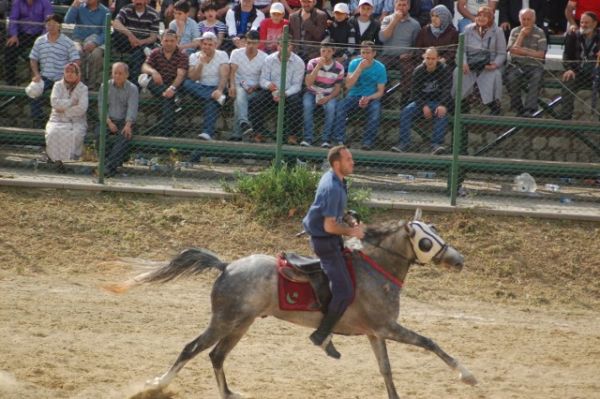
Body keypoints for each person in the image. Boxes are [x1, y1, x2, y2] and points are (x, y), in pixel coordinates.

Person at [302, 144, 365, 359]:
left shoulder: (338, 180)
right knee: (345, 291)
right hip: (325, 242)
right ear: (337, 164)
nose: (352, 162)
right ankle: (321, 334)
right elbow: (329, 226)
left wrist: (348, 218)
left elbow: (335, 215)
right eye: (349, 159)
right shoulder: (333, 187)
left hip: (330, 237)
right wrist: (353, 232)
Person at [391, 47, 451, 154]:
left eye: (433, 58)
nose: (430, 61)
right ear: (424, 57)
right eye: (428, 58)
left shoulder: (444, 69)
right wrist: (423, 106)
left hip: (437, 103)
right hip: (420, 103)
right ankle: (404, 143)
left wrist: (442, 105)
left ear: (438, 58)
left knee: (442, 114)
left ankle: (436, 145)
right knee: (406, 112)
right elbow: (414, 93)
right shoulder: (418, 70)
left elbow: (447, 90)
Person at [247, 41, 305, 144]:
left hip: (289, 92)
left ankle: (292, 135)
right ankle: (258, 133)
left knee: (297, 103)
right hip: (271, 91)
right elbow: (263, 79)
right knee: (254, 101)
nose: (284, 48)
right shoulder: (269, 59)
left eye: (287, 45)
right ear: (278, 46)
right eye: (282, 45)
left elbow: (297, 85)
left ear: (292, 47)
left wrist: (285, 93)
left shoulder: (299, 62)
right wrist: (269, 85)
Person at [332, 41, 387, 150]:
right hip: (354, 96)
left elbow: (380, 92)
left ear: (374, 53)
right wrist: (360, 68)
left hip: (371, 97)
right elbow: (348, 85)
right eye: (363, 52)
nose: (365, 55)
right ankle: (339, 140)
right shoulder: (354, 63)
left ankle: (367, 142)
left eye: (368, 53)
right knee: (340, 107)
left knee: (375, 111)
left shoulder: (380, 67)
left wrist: (368, 98)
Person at [453, 6, 506, 115]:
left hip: (488, 66)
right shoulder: (468, 29)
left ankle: (494, 107)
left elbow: (502, 54)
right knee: (457, 72)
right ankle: (460, 105)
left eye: (485, 16)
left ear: (491, 18)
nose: (481, 18)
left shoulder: (498, 31)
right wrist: (464, 63)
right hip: (470, 64)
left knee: (495, 75)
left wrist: (495, 65)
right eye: (479, 15)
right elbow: (461, 50)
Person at [29, 14, 80, 128]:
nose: (50, 26)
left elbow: (76, 60)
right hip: (44, 77)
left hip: (61, 79)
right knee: (33, 93)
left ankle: (61, 124)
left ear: (59, 25)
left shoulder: (67, 42)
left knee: (63, 99)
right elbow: (33, 59)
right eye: (48, 24)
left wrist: (69, 75)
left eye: (53, 24)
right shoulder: (40, 41)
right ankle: (38, 123)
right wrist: (36, 74)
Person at [183, 31, 230, 140]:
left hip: (216, 87)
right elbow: (193, 78)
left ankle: (207, 133)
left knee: (211, 101)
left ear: (215, 45)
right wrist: (200, 63)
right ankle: (215, 97)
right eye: (205, 44)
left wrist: (219, 90)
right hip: (201, 87)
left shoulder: (222, 54)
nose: (207, 47)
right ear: (201, 44)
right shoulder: (194, 56)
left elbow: (224, 75)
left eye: (210, 45)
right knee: (186, 83)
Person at [141, 29, 189, 137]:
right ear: (161, 41)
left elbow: (180, 75)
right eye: (166, 40)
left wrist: (172, 88)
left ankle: (165, 133)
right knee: (145, 79)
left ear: (177, 41)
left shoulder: (182, 56)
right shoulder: (155, 52)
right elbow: (144, 67)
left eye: (172, 41)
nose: (169, 43)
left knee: (168, 99)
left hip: (175, 86)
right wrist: (153, 72)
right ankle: (167, 135)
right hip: (158, 85)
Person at [44, 63, 88, 172]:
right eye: (67, 72)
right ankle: (56, 161)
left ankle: (68, 162)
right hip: (57, 119)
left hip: (76, 121)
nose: (69, 74)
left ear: (78, 74)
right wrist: (71, 102)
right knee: (53, 133)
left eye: (72, 72)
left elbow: (82, 107)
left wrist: (65, 111)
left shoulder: (83, 88)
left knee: (75, 134)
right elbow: (54, 102)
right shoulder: (57, 85)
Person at [97, 62, 139, 177]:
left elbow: (132, 108)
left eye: (120, 73)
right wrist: (109, 122)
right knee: (99, 134)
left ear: (127, 75)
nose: (117, 76)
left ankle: (107, 168)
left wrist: (128, 124)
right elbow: (101, 107)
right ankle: (109, 167)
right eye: (115, 73)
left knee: (124, 136)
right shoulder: (104, 86)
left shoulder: (132, 89)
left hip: (125, 121)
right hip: (108, 119)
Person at [301, 39, 344, 147]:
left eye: (329, 51)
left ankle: (325, 140)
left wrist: (328, 97)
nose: (325, 54)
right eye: (323, 51)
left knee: (331, 108)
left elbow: (337, 88)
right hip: (312, 92)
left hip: (328, 94)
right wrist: (317, 67)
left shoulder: (339, 67)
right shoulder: (312, 63)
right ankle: (308, 138)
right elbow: (308, 83)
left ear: (333, 52)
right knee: (307, 106)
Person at [557, 11, 600, 120]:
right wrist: (569, 69)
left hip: (596, 73)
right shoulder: (573, 36)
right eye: (581, 22)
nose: (583, 25)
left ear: (595, 24)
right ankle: (565, 118)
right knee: (568, 80)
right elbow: (566, 56)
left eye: (587, 22)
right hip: (578, 72)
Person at [505, 8, 547, 117]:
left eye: (529, 19)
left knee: (537, 77)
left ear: (534, 19)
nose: (526, 22)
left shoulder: (540, 32)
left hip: (535, 66)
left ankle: (530, 109)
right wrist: (522, 35)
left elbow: (541, 55)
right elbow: (513, 52)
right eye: (524, 19)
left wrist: (523, 51)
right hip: (516, 64)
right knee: (511, 78)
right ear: (520, 20)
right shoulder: (515, 31)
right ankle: (518, 107)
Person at [228, 30, 268, 141]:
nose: (250, 46)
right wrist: (231, 86)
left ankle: (237, 133)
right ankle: (243, 122)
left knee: (239, 102)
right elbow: (232, 72)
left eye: (254, 43)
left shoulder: (264, 57)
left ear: (259, 43)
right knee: (240, 93)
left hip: (254, 90)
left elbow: (264, 77)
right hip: (237, 87)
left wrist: (255, 87)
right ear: (245, 41)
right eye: (248, 42)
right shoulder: (236, 53)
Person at [378, 0, 420, 104]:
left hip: (404, 58)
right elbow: (383, 38)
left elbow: (416, 46)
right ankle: (384, 99)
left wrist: (410, 54)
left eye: (404, 5)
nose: (401, 7)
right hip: (387, 56)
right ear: (394, 5)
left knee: (410, 70)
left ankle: (405, 101)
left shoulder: (415, 24)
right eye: (399, 4)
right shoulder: (387, 19)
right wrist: (394, 21)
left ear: (409, 6)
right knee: (379, 68)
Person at [64, 0, 111, 90]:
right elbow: (67, 21)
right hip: (78, 39)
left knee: (96, 55)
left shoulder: (105, 11)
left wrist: (95, 43)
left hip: (96, 41)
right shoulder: (79, 7)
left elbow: (105, 33)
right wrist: (73, 7)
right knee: (77, 53)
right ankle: (79, 83)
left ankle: (92, 85)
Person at [5, 0, 53, 86]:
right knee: (10, 48)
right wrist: (13, 35)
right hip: (21, 34)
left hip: (39, 34)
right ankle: (10, 82)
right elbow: (13, 19)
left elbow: (48, 22)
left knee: (44, 50)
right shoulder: (17, 2)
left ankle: (41, 82)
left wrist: (42, 39)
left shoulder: (45, 3)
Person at [112, 0, 160, 85]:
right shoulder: (126, 9)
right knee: (118, 35)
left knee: (137, 55)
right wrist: (130, 35)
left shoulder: (154, 14)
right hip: (127, 43)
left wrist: (141, 42)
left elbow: (153, 37)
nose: (138, 1)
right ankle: (144, 50)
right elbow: (116, 23)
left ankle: (134, 85)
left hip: (143, 43)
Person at [415, 4, 459, 69]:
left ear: (444, 17)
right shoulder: (425, 30)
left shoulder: (453, 33)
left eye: (437, 16)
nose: (433, 19)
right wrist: (425, 56)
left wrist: (442, 59)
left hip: (445, 66)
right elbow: (417, 49)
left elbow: (453, 51)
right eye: (432, 16)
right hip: (426, 64)